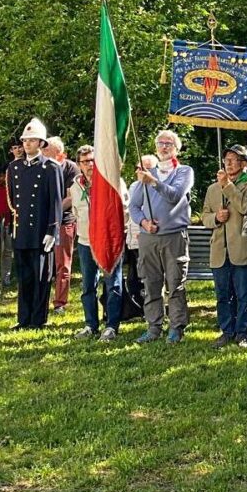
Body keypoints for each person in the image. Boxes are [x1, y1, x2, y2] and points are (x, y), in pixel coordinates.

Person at [129, 130, 194, 343]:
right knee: (151, 283)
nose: (164, 147)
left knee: (175, 283)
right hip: (149, 238)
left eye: (169, 143)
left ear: (177, 148)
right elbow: (134, 206)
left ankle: (176, 327)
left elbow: (175, 195)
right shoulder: (148, 173)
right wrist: (144, 222)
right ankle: (153, 326)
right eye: (160, 143)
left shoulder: (184, 171)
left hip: (174, 236)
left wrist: (153, 182)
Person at [201, 144, 247, 348]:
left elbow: (246, 207)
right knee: (222, 294)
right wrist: (215, 218)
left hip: (242, 249)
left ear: (244, 163)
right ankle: (226, 331)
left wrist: (228, 186)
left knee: (243, 294)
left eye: (234, 159)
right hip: (220, 250)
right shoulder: (212, 189)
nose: (228, 162)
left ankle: (242, 332)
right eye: (226, 159)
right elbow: (204, 216)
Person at [6, 118, 63, 329]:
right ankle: (24, 318)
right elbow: (13, 200)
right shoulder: (14, 168)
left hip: (41, 230)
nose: (27, 144)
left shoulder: (50, 168)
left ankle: (38, 319)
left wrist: (52, 230)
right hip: (21, 231)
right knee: (25, 278)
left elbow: (55, 202)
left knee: (41, 278)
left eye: (32, 140)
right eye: (25, 141)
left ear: (41, 143)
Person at [70, 145, 124, 341]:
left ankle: (111, 326)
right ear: (79, 165)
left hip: (109, 240)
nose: (90, 165)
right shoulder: (76, 186)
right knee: (87, 285)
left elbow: (123, 208)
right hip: (86, 241)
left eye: (93, 160)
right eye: (85, 161)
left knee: (113, 283)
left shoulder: (111, 181)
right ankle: (90, 324)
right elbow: (76, 212)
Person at [44, 136, 80, 313]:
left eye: (47, 151)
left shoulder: (71, 168)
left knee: (62, 264)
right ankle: (40, 300)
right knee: (43, 264)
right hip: (42, 223)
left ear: (60, 154)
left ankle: (60, 302)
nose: (43, 154)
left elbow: (70, 196)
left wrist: (52, 213)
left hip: (64, 221)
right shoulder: (42, 167)